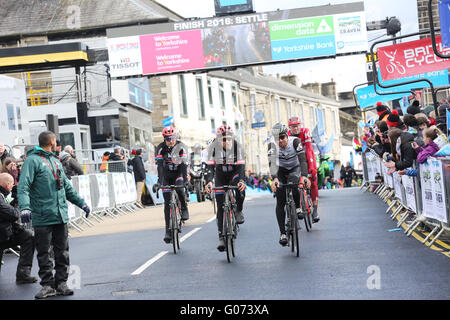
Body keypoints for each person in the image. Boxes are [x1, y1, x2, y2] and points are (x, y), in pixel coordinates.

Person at [17, 131, 90, 299]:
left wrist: (82, 203)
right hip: (42, 215)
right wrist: (25, 207)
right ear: (51, 141)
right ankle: (47, 285)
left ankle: (61, 283)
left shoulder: (55, 161)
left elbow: (67, 188)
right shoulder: (32, 161)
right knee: (44, 252)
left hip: (60, 215)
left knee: (62, 251)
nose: (58, 143)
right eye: (56, 141)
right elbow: (23, 186)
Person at [205, 125, 246, 252]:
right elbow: (209, 169)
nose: (227, 141)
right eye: (223, 139)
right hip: (220, 176)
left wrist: (241, 181)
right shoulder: (212, 148)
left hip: (234, 173)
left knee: (240, 188)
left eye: (229, 139)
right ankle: (221, 237)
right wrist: (209, 182)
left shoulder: (237, 147)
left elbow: (241, 168)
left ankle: (238, 210)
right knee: (221, 205)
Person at [267, 123, 310, 246]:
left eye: (282, 137)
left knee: (294, 183)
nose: (280, 141)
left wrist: (304, 176)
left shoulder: (295, 141)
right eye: (277, 138)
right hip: (280, 171)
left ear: (287, 136)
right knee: (280, 199)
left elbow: (302, 160)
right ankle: (282, 233)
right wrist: (274, 179)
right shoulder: (271, 146)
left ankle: (297, 207)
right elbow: (272, 165)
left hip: (294, 168)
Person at [154, 126, 189, 244]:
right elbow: (159, 166)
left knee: (180, 189)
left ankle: (184, 207)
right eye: (168, 139)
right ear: (164, 139)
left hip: (178, 173)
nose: (170, 141)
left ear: (176, 137)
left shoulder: (181, 147)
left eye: (172, 138)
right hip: (166, 176)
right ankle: (168, 231)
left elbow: (184, 165)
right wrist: (159, 181)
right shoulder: (160, 148)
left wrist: (185, 181)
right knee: (167, 203)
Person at [0, 173, 37, 284]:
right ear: (7, 184)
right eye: (12, 184)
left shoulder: (2, 195)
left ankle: (23, 274)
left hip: (5, 233)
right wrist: (17, 203)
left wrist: (14, 201)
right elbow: (13, 214)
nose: (12, 187)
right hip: (2, 235)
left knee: (28, 236)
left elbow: (7, 211)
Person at [287, 116, 320, 223]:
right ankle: (298, 206)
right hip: (296, 159)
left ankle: (315, 209)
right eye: (292, 127)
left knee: (313, 181)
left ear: (300, 126)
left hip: (307, 156)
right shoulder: (287, 135)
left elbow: (309, 150)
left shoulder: (305, 132)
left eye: (297, 126)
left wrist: (311, 167)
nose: (295, 129)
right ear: (289, 128)